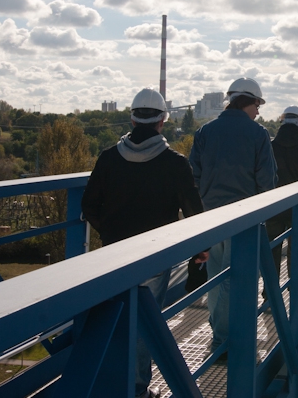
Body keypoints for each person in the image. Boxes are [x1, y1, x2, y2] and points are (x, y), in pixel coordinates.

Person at [81, 87, 204, 398]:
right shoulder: (175, 163)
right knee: (143, 325)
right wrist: (200, 250)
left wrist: (108, 232)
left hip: (113, 254)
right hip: (154, 256)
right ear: (162, 121)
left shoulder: (109, 158)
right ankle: (135, 390)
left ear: (132, 120)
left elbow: (89, 205)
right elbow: (193, 212)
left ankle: (106, 383)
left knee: (113, 318)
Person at [189, 77, 277, 356]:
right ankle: (226, 343)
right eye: (257, 104)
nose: (259, 111)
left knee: (216, 280)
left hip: (210, 217)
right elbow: (267, 181)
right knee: (238, 281)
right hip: (244, 219)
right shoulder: (258, 134)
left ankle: (219, 335)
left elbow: (194, 175)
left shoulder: (205, 131)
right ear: (247, 102)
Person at [265, 106, 298, 293]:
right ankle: (295, 286)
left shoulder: (269, 148)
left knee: (272, 249)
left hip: (273, 206)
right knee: (296, 250)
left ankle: (269, 291)